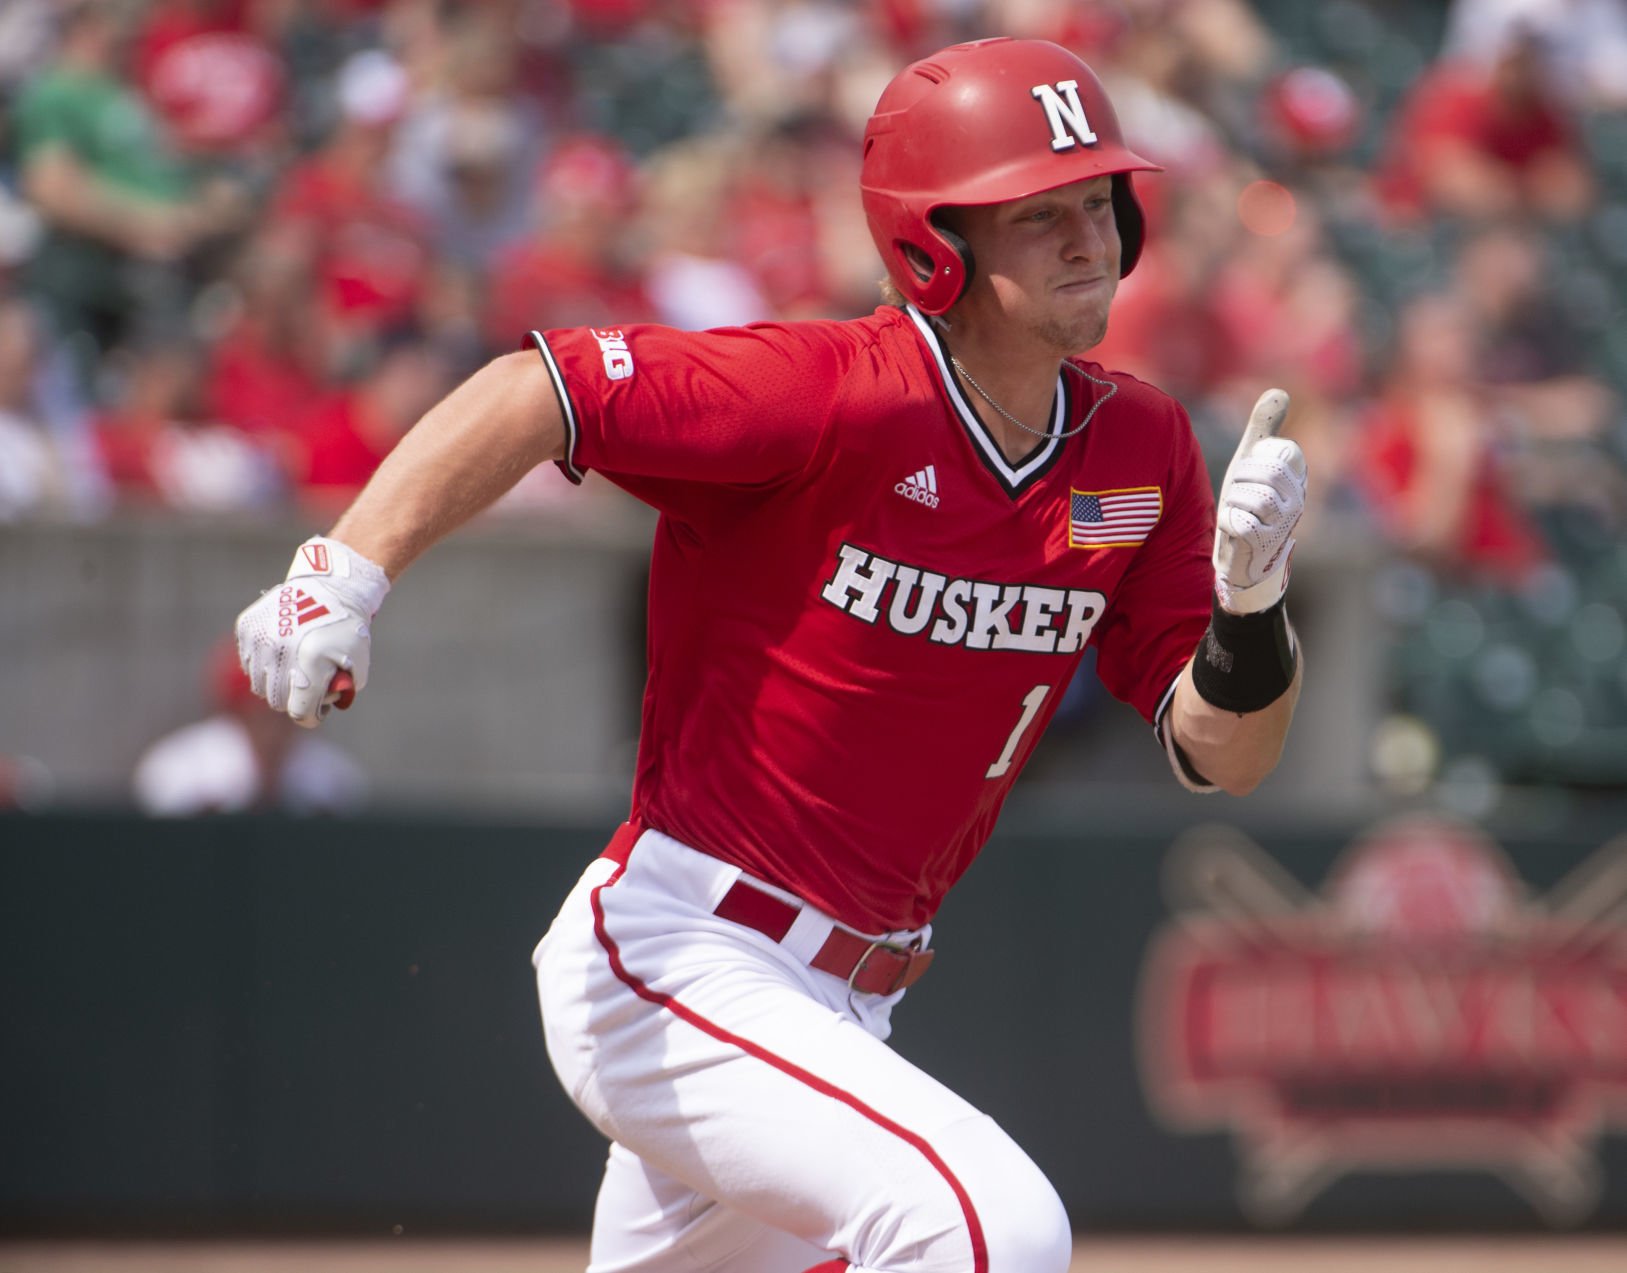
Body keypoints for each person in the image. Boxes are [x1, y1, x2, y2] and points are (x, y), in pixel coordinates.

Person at [233, 38, 1307, 1273]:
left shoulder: (1140, 447)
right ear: (933, 243)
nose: (1090, 239)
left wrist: (1248, 607)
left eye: (1098, 203)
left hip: (849, 1002)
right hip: (681, 949)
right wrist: (344, 571)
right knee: (989, 1229)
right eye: (1039, 215)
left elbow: (1226, 756)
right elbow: (544, 391)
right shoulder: (828, 393)